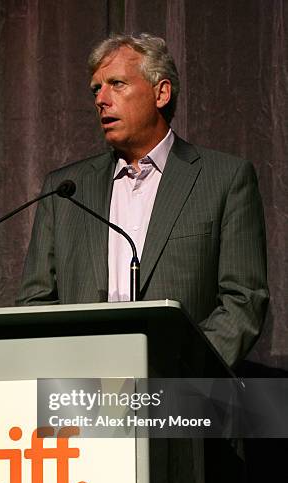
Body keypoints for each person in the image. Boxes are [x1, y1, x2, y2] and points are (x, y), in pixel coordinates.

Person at [16, 33, 269, 369]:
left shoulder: (225, 179)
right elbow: (36, 301)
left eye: (117, 84)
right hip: (83, 396)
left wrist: (180, 372)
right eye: (96, 89)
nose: (101, 99)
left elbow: (244, 300)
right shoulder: (66, 190)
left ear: (160, 92)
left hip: (184, 394)